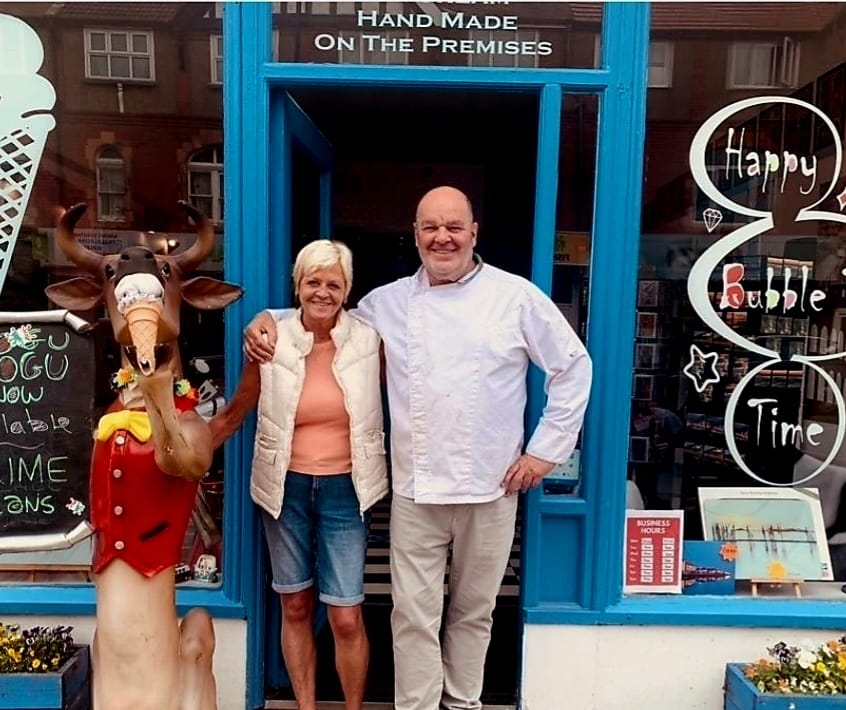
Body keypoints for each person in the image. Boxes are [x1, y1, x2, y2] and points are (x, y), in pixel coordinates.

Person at [245, 186, 593, 710]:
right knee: (412, 615)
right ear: (415, 235)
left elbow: (573, 367)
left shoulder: (515, 296)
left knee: (474, 611)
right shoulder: (384, 304)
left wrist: (544, 452)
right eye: (430, 227)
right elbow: (322, 314)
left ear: (474, 233)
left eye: (453, 226)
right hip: (415, 489)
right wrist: (264, 320)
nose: (442, 237)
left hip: (492, 486)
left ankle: (463, 703)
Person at [231, 239, 388, 710]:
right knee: (295, 604)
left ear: (348, 290)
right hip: (285, 488)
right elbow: (240, 405)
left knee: (345, 613)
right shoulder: (270, 337)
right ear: (297, 285)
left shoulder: (370, 340)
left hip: (347, 489)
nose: (323, 292)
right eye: (313, 282)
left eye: (334, 284)